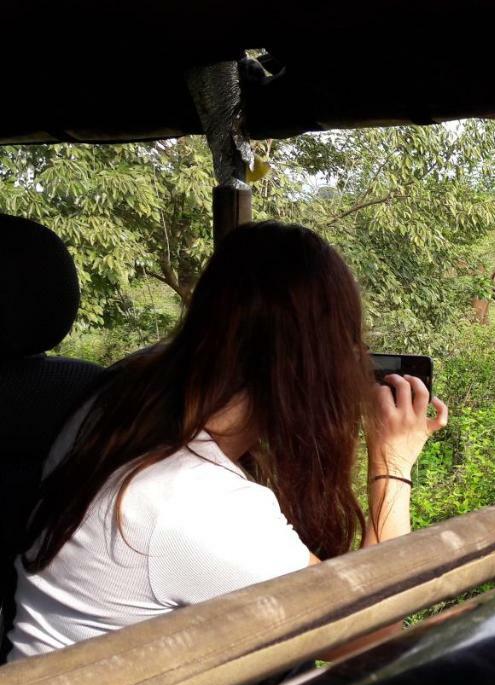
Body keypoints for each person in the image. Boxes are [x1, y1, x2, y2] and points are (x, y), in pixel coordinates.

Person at [5, 221, 447, 661]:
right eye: (344, 352)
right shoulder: (194, 499)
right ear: (313, 367)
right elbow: (371, 634)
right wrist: (392, 462)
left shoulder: (117, 396)